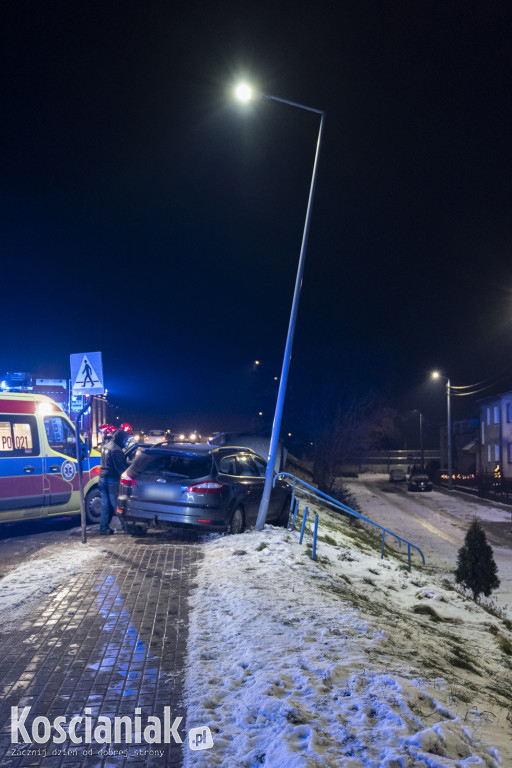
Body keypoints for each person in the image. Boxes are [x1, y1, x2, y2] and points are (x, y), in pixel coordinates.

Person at [99, 428, 128, 534]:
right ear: (120, 438)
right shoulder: (116, 450)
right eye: (124, 439)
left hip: (102, 478)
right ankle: (126, 528)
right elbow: (120, 468)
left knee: (105, 505)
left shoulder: (106, 446)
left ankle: (103, 528)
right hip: (111, 479)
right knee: (117, 505)